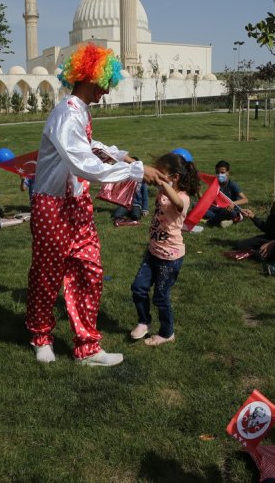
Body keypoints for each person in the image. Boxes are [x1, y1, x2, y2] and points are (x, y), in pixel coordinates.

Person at [25, 42, 165, 366]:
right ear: (90, 76)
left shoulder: (81, 111)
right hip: (52, 206)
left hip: (77, 204)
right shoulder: (65, 113)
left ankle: (87, 346)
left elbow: (89, 145)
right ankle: (41, 336)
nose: (106, 90)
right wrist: (135, 170)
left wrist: (119, 154)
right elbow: (81, 164)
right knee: (47, 274)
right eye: (105, 83)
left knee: (89, 272)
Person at [130, 152, 197, 346]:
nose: (157, 176)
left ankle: (167, 333)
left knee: (161, 296)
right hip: (153, 251)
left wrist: (163, 184)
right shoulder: (163, 189)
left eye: (162, 173)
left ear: (174, 178)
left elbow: (177, 203)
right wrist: (126, 159)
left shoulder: (183, 198)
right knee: (138, 288)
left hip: (170, 257)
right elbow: (138, 166)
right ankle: (144, 322)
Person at [204, 160, 247, 227]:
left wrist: (233, 203)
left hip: (231, 210)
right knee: (197, 205)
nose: (220, 175)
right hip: (219, 208)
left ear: (228, 173)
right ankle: (227, 220)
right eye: (217, 172)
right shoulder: (215, 185)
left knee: (227, 212)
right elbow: (206, 200)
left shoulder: (232, 185)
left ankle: (212, 221)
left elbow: (245, 199)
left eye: (222, 172)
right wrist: (198, 191)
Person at [112, 155, 150, 226]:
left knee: (136, 216)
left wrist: (145, 209)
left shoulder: (141, 181)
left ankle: (132, 219)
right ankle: (122, 220)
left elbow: (145, 195)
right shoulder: (125, 179)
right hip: (125, 204)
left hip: (136, 204)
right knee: (116, 214)